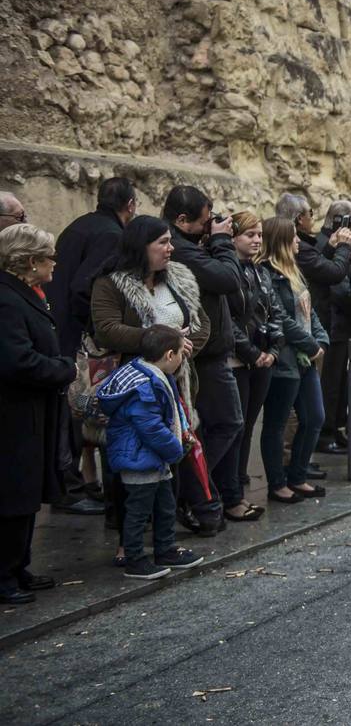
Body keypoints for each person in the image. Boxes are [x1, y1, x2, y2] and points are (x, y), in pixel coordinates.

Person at [91, 216, 210, 557]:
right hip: (132, 385)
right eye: (162, 242)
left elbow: (200, 325)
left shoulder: (179, 279)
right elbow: (108, 330)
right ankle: (126, 543)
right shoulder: (111, 283)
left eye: (171, 241)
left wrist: (183, 351)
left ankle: (163, 540)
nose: (170, 248)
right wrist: (162, 342)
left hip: (175, 380)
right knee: (130, 460)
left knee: (167, 456)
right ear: (140, 247)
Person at [48, 177, 137, 511]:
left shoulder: (80, 225)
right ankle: (69, 490)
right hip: (75, 336)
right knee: (76, 412)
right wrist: (99, 327)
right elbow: (85, 287)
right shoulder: (112, 235)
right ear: (130, 205)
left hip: (58, 327)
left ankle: (75, 484)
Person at [0, 223, 75, 604]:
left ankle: (18, 566)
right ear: (29, 262)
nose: (55, 265)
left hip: (32, 410)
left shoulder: (22, 294)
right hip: (14, 414)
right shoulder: (6, 300)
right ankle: (4, 575)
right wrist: (65, 369)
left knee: (26, 492)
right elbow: (17, 361)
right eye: (49, 258)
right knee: (13, 494)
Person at [163, 185, 244, 535]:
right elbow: (228, 278)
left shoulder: (191, 245)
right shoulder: (181, 251)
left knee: (216, 425)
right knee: (227, 422)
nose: (211, 225)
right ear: (182, 220)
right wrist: (223, 242)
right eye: (205, 221)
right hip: (201, 356)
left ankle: (200, 492)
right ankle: (192, 490)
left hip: (211, 353)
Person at [96, 325, 204, 579]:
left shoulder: (152, 374)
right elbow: (150, 427)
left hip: (153, 459)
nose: (181, 359)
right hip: (141, 459)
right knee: (138, 511)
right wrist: (175, 449)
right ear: (169, 355)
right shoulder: (145, 384)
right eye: (180, 353)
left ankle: (165, 549)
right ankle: (135, 559)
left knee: (164, 505)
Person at [257, 217, 329, 503]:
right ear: (282, 242)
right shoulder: (268, 273)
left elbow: (310, 312)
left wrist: (319, 340)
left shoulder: (295, 272)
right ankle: (277, 483)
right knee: (275, 423)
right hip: (285, 357)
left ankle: (297, 474)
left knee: (314, 417)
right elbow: (281, 317)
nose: (299, 241)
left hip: (305, 356)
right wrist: (310, 344)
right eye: (294, 238)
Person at [283, 196, 351, 454]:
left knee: (322, 393)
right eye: (310, 213)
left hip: (319, 328)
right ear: (299, 218)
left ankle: (304, 455)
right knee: (311, 396)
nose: (299, 244)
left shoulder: (311, 248)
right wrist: (343, 248)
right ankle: (299, 455)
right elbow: (332, 274)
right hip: (315, 330)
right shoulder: (301, 251)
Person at [226, 211, 281, 515]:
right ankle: (231, 492)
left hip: (263, 358)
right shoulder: (229, 270)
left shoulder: (260, 271)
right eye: (250, 235)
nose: (257, 240)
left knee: (247, 427)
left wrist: (273, 348)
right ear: (234, 237)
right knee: (236, 427)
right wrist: (251, 352)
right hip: (239, 360)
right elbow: (230, 320)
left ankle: (238, 485)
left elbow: (273, 310)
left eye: (259, 235)